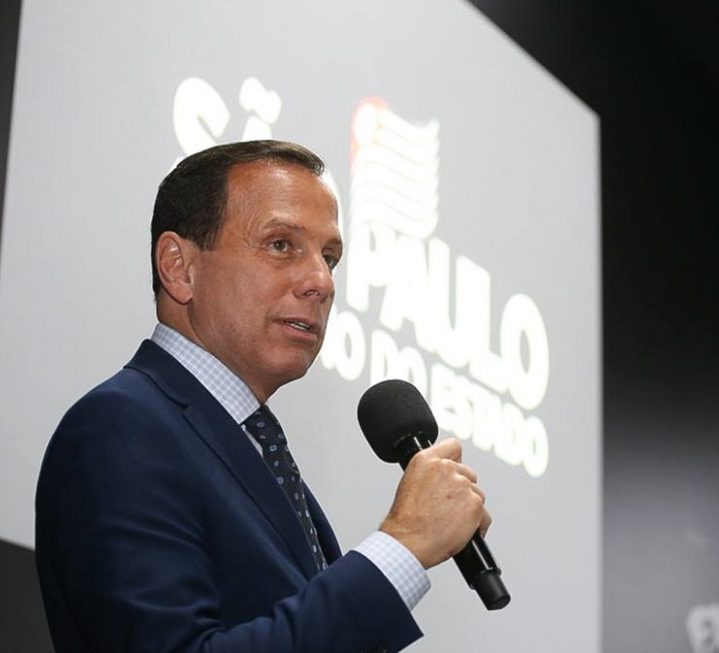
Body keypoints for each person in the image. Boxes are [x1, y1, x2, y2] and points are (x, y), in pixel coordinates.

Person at [35, 140, 491, 652]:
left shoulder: (254, 447)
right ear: (179, 267)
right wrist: (404, 546)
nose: (321, 282)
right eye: (280, 245)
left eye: (330, 258)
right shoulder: (120, 428)